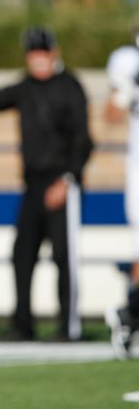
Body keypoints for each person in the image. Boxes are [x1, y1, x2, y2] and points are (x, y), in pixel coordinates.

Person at [0, 27, 92, 343]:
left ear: (54, 53)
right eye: (33, 54)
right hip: (33, 185)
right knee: (22, 254)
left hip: (63, 184)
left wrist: (68, 179)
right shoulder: (26, 87)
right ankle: (23, 325)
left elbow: (83, 141)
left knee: (64, 256)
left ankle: (68, 326)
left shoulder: (70, 87)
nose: (38, 60)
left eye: (42, 53)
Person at [104, 22, 139, 360]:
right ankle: (129, 316)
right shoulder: (129, 61)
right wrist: (127, 90)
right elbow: (111, 113)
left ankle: (129, 316)